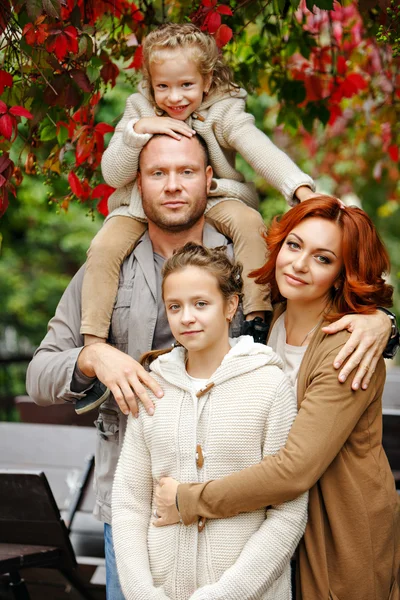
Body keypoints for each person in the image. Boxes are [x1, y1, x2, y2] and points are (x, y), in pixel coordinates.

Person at [26, 135, 393, 599]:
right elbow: (39, 373)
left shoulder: (249, 263)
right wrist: (92, 356)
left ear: (209, 180)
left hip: (267, 523)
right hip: (143, 512)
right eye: (158, 173)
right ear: (138, 184)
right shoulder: (106, 269)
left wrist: (382, 321)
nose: (173, 186)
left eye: (186, 172)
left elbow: (338, 283)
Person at [154, 196, 400, 600]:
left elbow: (294, 469)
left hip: (336, 526)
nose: (299, 264)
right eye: (294, 245)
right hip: (273, 523)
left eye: (323, 258)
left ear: (342, 274)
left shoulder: (347, 347)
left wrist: (189, 500)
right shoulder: (269, 318)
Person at [79, 22, 318, 376]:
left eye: (186, 85)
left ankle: (256, 318)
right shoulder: (139, 110)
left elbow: (257, 148)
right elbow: (113, 174)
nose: (174, 98)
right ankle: (94, 344)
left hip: (212, 198)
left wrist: (299, 189)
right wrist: (140, 131)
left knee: (250, 223)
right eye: (163, 87)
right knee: (103, 247)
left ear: (206, 82)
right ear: (150, 83)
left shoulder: (223, 111)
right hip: (140, 208)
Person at [112, 242, 308, 600]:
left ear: (230, 306)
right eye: (175, 306)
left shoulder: (269, 385)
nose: (186, 317)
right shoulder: (153, 386)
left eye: (201, 304)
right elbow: (130, 502)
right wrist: (143, 593)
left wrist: (225, 595)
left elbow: (288, 510)